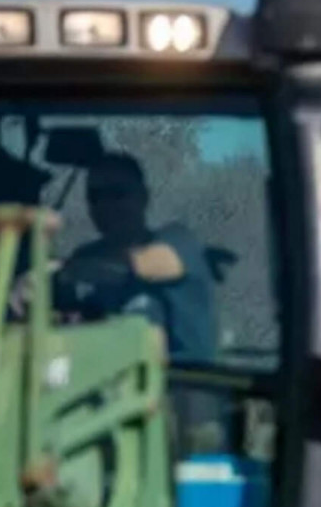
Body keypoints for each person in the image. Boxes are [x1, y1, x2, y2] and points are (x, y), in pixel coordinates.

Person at [53, 152, 217, 363]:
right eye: (95, 196)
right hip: (106, 382)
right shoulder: (84, 256)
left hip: (184, 386)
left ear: (143, 197)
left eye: (117, 193)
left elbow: (146, 263)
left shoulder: (178, 240)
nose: (105, 205)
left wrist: (65, 269)